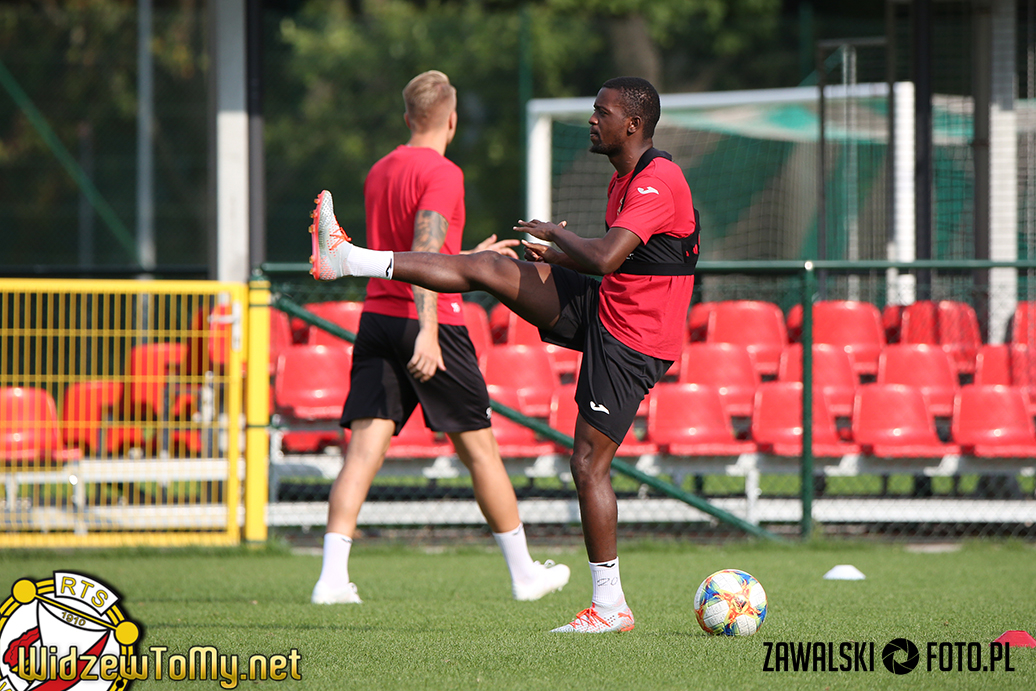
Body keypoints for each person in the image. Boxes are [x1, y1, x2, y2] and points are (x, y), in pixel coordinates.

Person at [310, 76, 698, 633]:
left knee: (587, 465)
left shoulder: (659, 179)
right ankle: (349, 259)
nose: (592, 119)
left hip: (633, 339)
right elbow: (624, 263)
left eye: (603, 112)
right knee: (488, 267)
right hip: (606, 307)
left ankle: (610, 608)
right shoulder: (623, 178)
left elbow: (607, 257)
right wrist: (558, 256)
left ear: (633, 124)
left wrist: (556, 237)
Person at [309, 70, 571, 606]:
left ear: (408, 118)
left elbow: (413, 252)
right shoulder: (444, 172)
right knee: (481, 453)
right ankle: (525, 575)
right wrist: (428, 331)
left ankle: (331, 580)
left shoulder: (380, 169)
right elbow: (424, 250)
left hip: (378, 318)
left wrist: (471, 258)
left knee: (362, 453)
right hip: (433, 323)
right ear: (451, 120)